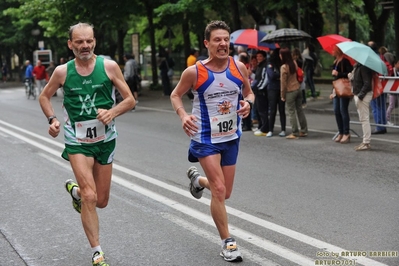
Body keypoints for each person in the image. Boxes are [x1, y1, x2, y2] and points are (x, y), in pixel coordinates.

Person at [38, 22, 135, 266]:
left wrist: (112, 113)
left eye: (89, 41)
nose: (85, 46)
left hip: (105, 139)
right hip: (77, 140)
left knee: (101, 200)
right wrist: (52, 120)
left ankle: (76, 192)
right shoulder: (62, 72)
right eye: (79, 42)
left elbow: (130, 100)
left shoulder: (109, 67)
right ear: (70, 44)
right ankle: (97, 252)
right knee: (91, 197)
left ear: (94, 42)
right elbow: (44, 96)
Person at [170, 20, 254, 262]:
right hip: (205, 137)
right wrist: (183, 115)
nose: (223, 44)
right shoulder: (195, 72)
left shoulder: (239, 67)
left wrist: (248, 103)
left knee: (225, 193)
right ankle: (228, 242)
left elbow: (249, 92)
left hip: (231, 137)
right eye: (217, 40)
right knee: (218, 189)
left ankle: (197, 181)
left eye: (226, 39)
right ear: (207, 43)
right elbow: (176, 95)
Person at [280, 47, 308, 139]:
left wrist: (282, 95)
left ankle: (295, 132)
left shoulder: (284, 67)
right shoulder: (294, 63)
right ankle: (303, 130)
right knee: (299, 110)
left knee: (291, 112)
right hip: (298, 88)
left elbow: (283, 83)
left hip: (290, 91)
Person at [329, 45, 353, 144]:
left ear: (338, 51)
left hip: (343, 88)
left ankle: (346, 133)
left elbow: (350, 73)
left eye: (333, 49)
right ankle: (341, 131)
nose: (332, 51)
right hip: (337, 88)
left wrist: (338, 73)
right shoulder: (336, 61)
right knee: (336, 110)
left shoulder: (345, 61)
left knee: (343, 110)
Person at [349, 61, 373, 151]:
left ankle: (366, 142)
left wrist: (360, 96)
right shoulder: (358, 66)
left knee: (364, 119)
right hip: (360, 94)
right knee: (363, 119)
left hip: (362, 95)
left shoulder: (363, 67)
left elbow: (367, 83)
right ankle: (365, 141)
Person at [368, 41, 387, 134]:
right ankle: (383, 125)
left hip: (375, 83)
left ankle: (379, 126)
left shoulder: (371, 58)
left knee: (375, 106)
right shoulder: (381, 56)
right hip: (384, 83)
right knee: (382, 106)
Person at [267, 48, 286, 137]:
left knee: (282, 110)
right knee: (273, 110)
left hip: (280, 88)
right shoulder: (271, 64)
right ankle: (271, 129)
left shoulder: (283, 64)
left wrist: (279, 76)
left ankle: (283, 129)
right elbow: (271, 75)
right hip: (273, 89)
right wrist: (280, 76)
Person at [252, 50, 269, 136]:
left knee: (263, 110)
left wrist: (259, 88)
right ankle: (260, 126)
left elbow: (264, 79)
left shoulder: (265, 66)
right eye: (257, 56)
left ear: (264, 57)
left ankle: (264, 128)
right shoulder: (259, 66)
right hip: (257, 90)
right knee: (259, 110)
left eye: (260, 56)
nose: (258, 58)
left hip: (262, 91)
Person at [238, 52, 253, 131]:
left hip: (247, 85)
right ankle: (246, 123)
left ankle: (248, 124)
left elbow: (248, 74)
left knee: (246, 105)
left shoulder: (245, 66)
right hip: (243, 85)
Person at [386, 58, 399, 125]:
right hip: (392, 91)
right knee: (391, 105)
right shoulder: (392, 71)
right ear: (395, 64)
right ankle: (386, 119)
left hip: (397, 91)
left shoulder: (397, 71)